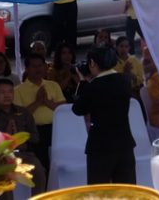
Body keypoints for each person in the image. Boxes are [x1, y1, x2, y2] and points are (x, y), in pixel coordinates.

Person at [72, 44, 136, 184]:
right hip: (124, 144)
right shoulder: (124, 81)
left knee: (99, 193)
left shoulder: (93, 86)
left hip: (100, 146)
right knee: (128, 192)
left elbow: (78, 109)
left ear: (93, 63)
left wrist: (82, 82)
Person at [0, 79, 47, 195]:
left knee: (40, 172)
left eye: (10, 92)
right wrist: (5, 136)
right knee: (4, 175)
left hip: (24, 154)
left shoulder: (24, 113)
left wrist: (20, 136)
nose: (7, 95)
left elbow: (36, 137)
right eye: (2, 92)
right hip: (1, 157)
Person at [13, 53, 65, 174]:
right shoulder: (18, 90)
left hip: (55, 129)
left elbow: (63, 110)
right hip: (33, 131)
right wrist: (37, 102)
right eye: (34, 66)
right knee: (41, 165)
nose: (38, 69)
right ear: (27, 69)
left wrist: (46, 102)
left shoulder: (53, 85)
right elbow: (20, 116)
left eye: (40, 65)